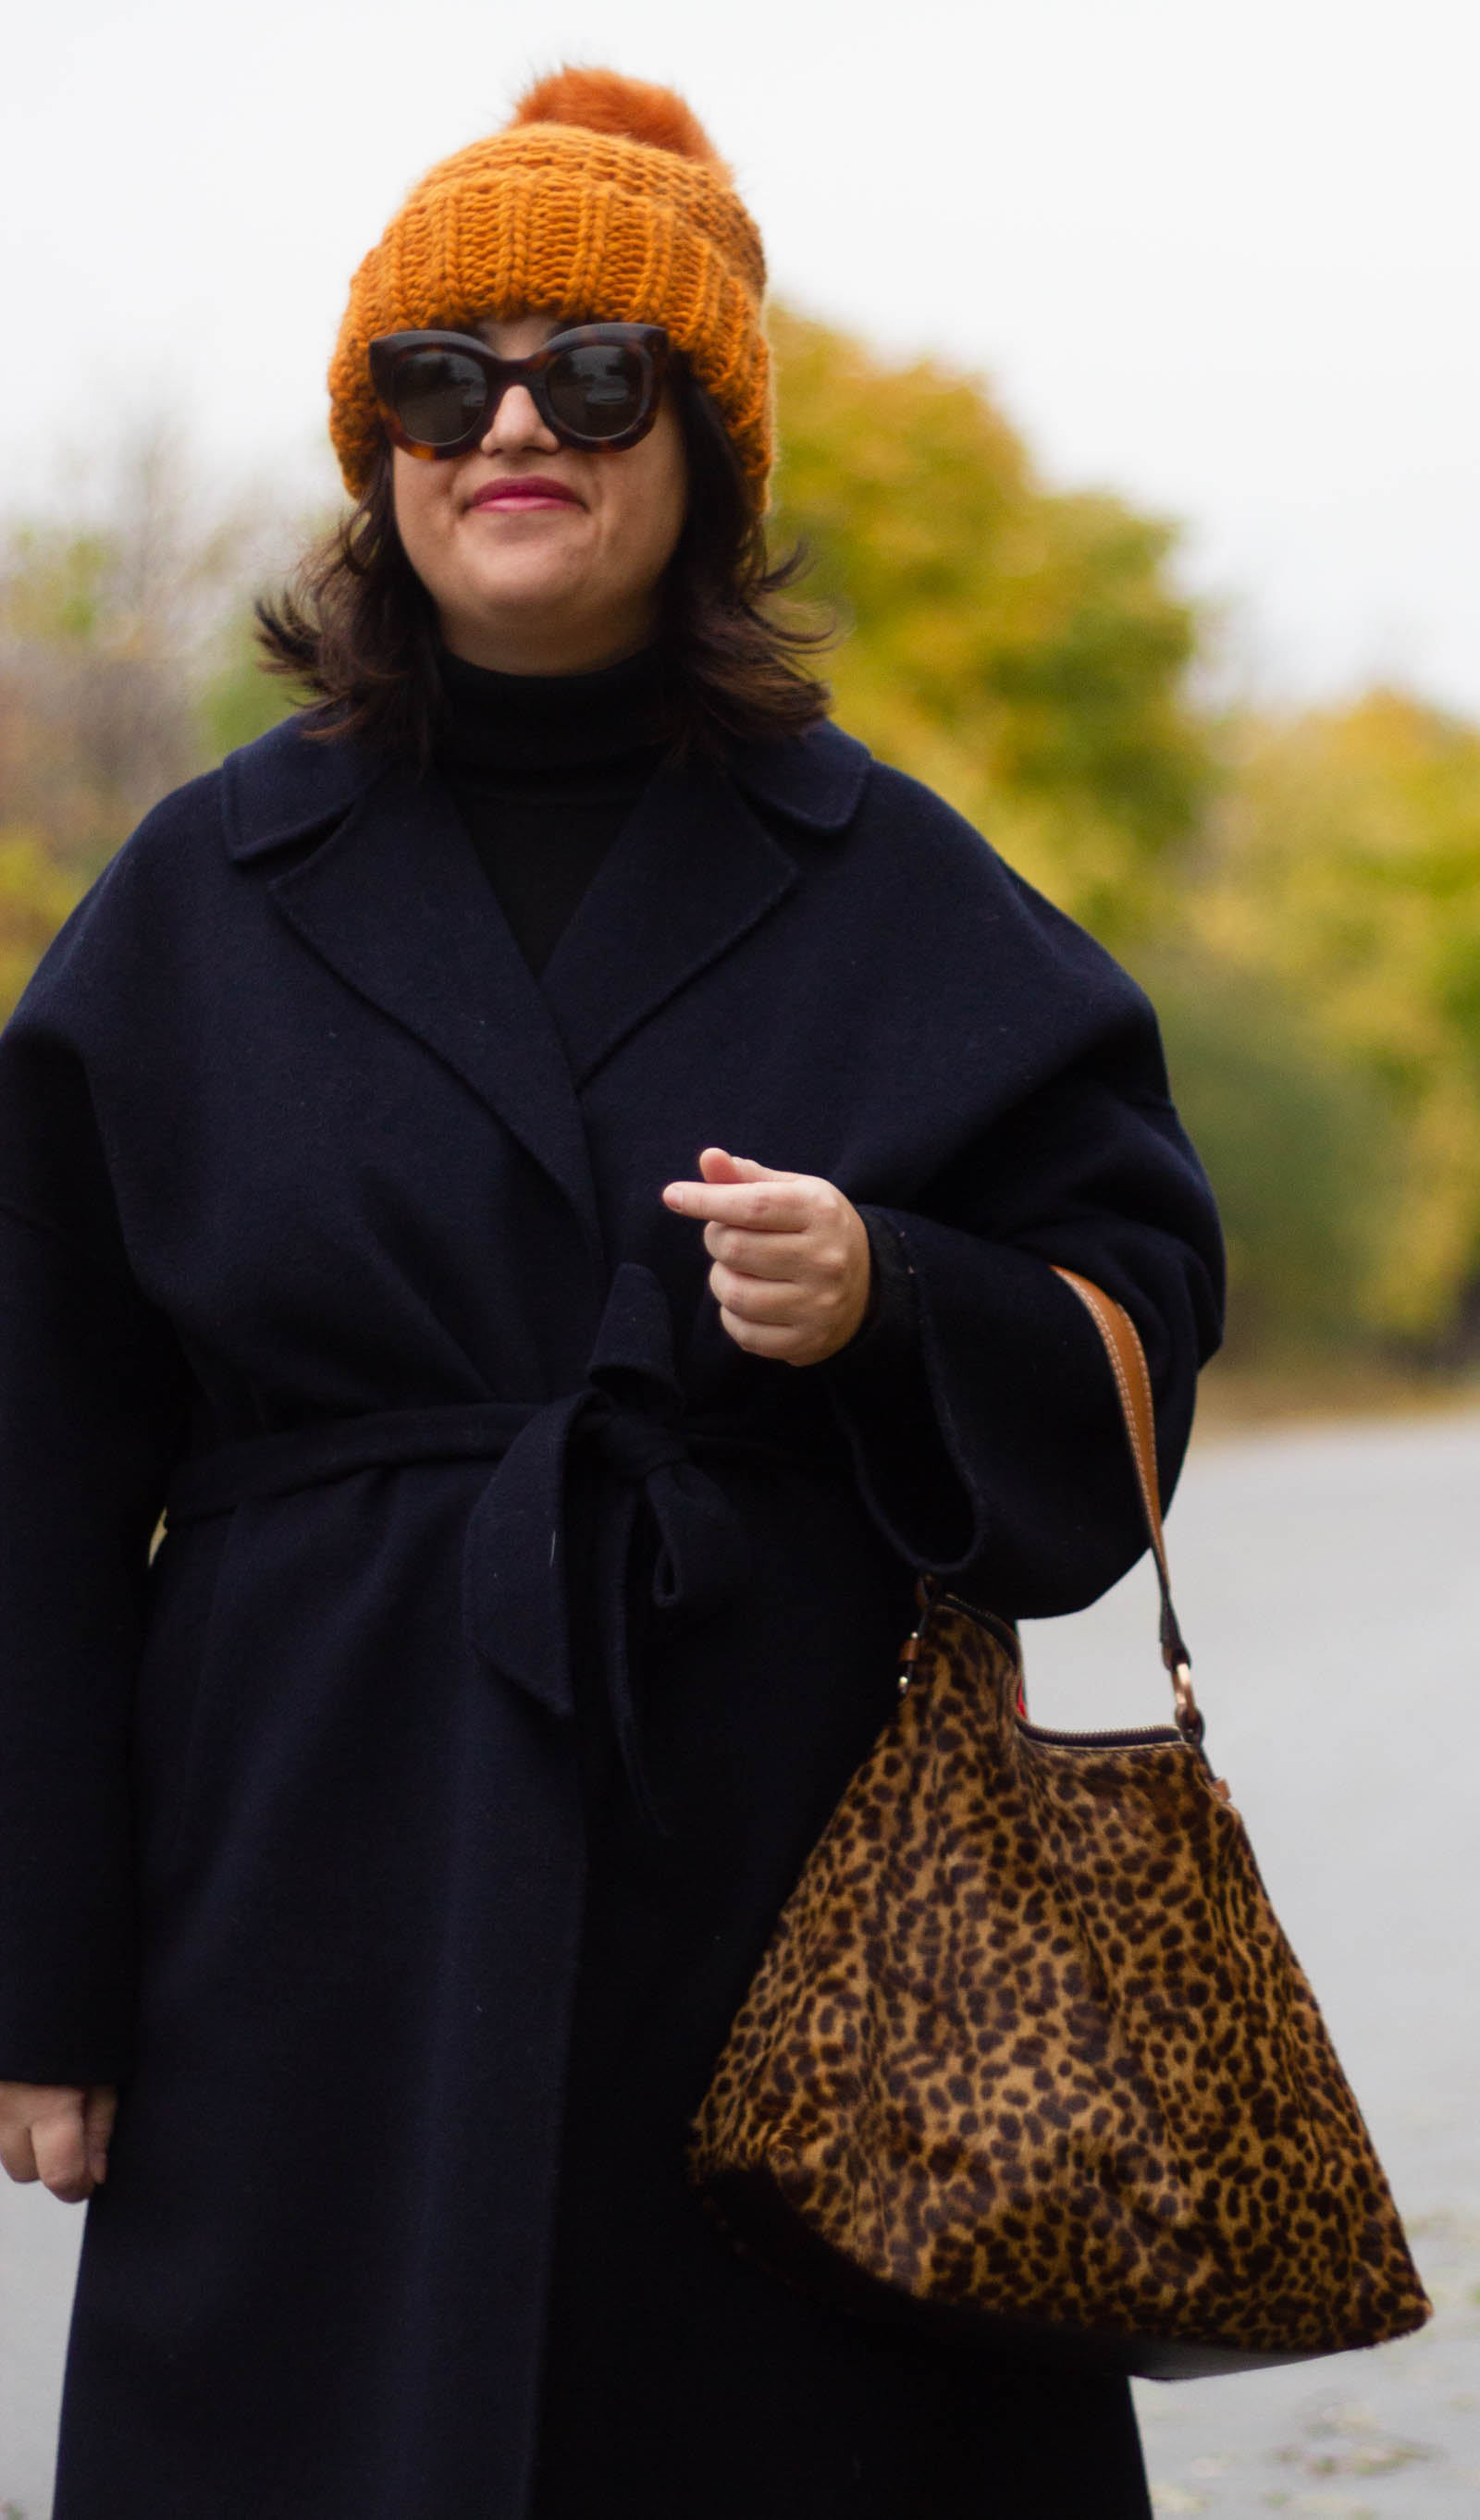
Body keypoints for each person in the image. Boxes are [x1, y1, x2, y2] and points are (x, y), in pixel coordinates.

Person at [0, 66, 1224, 2520]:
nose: (514, 427)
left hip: (797, 1905)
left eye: (596, 370)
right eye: (443, 380)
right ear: (382, 450)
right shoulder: (193, 898)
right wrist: (50, 1982)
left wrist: (896, 1297)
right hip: (309, 1890)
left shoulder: (898, 880)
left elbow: (1127, 1333)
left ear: (711, 447)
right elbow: (32, 1470)